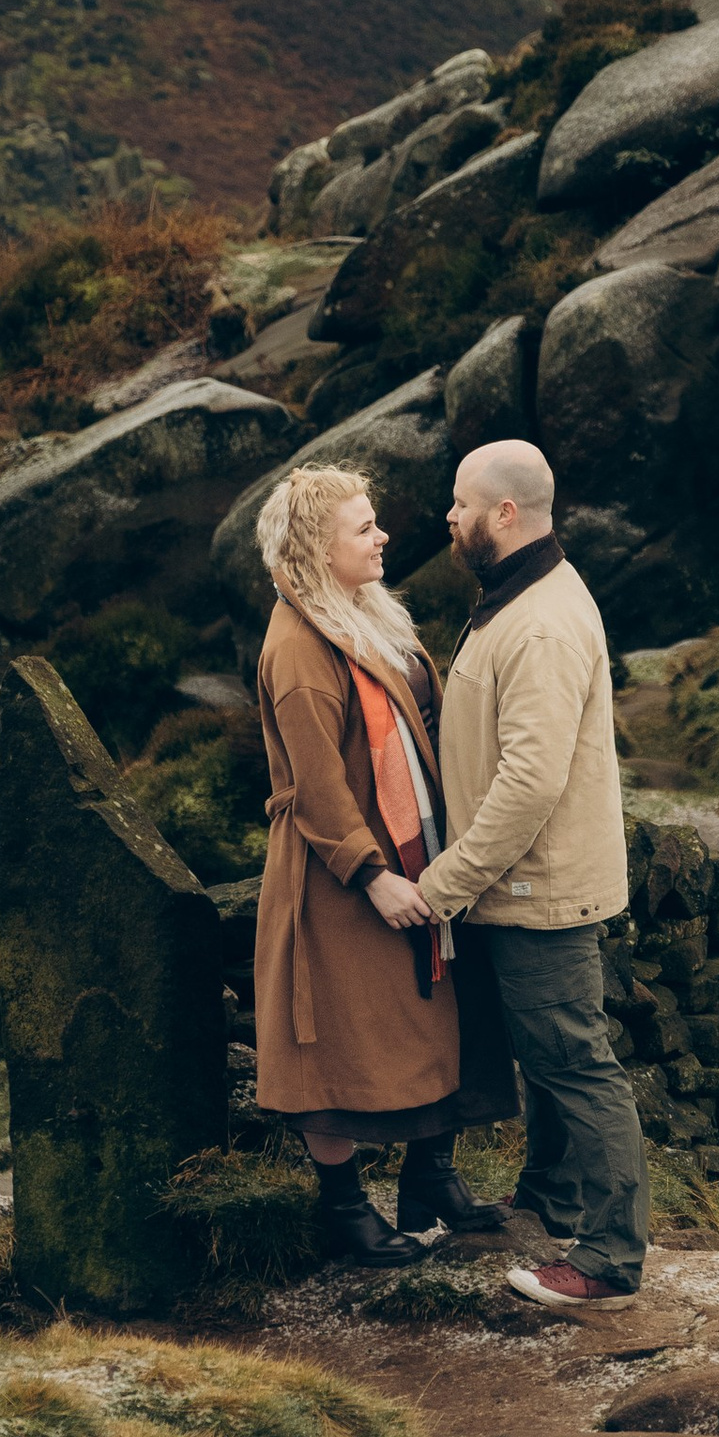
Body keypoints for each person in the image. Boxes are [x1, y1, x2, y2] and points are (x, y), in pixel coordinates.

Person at [404, 439, 649, 1305]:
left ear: (505, 514)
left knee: (575, 1063)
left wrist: (443, 885)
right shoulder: (518, 594)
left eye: (462, 502)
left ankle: (609, 1258)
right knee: (549, 1063)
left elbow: (531, 780)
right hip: (521, 884)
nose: (449, 515)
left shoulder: (539, 621)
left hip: (536, 888)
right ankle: (551, 1200)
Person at [251, 460, 516, 1261]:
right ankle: (343, 1211)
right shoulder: (300, 647)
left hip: (414, 853)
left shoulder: (365, 612)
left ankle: (430, 1175)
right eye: (363, 528)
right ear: (314, 548)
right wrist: (373, 877)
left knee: (437, 1018)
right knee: (337, 1043)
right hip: (340, 881)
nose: (384, 535)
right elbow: (317, 787)